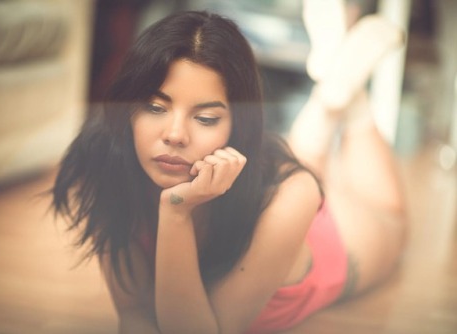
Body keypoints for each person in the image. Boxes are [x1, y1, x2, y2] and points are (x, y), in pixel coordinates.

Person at [51, 0, 407, 332]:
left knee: (391, 222)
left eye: (205, 118)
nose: (174, 135)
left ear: (237, 126)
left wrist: (175, 212)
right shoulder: (106, 162)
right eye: (155, 108)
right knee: (298, 165)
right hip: (269, 194)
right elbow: (135, 316)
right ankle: (332, 91)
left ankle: (348, 101)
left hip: (334, 240)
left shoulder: (291, 195)